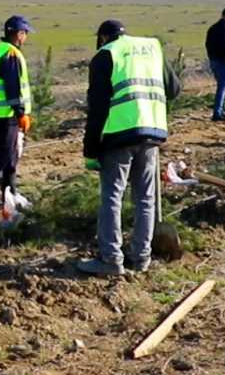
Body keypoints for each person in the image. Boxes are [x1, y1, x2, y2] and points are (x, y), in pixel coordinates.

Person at [76, 21, 181, 277]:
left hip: (118, 136)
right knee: (145, 198)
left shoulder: (106, 55)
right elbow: (174, 89)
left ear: (103, 37)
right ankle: (141, 258)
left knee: (112, 197)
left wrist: (90, 149)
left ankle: (111, 260)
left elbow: (97, 108)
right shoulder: (152, 48)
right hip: (151, 132)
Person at [0, 15, 33, 208]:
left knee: (9, 155)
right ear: (19, 34)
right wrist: (21, 113)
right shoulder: (11, 54)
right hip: (7, 116)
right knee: (2, 155)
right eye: (25, 33)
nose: (26, 37)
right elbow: (13, 87)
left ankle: (10, 195)